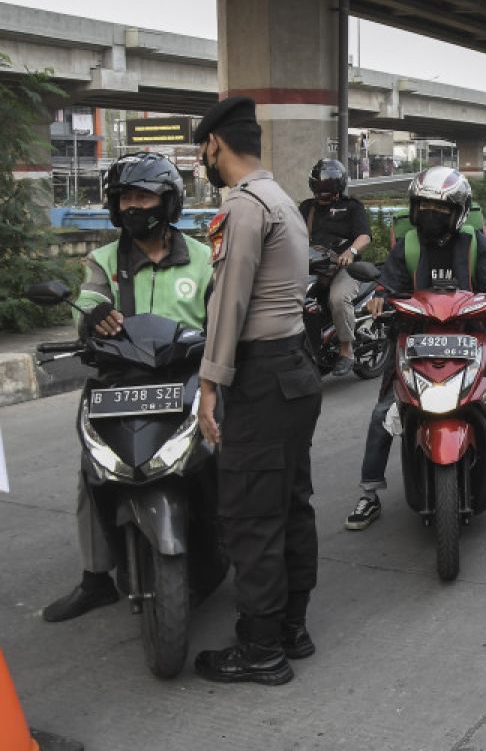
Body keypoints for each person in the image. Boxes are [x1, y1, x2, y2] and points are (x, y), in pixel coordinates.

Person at [41, 152, 216, 623]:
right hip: (118, 380)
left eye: (144, 196)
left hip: (186, 379)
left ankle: (227, 552)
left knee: (222, 457)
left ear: (169, 201)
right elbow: (89, 299)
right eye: (125, 198)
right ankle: (96, 579)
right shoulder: (102, 261)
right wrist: (92, 316)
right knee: (91, 470)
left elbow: (223, 315)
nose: (133, 206)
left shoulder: (203, 259)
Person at [191, 95, 322, 686]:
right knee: (291, 505)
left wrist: (210, 383)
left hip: (262, 374)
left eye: (204, 149)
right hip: (294, 370)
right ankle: (292, 627)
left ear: (215, 144)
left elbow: (230, 304)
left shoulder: (244, 207)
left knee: (251, 515)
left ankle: (261, 648)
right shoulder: (285, 201)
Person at [346, 166, 486, 530]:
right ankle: (368, 493)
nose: (431, 215)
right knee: (383, 415)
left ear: (458, 212)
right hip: (415, 340)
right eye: (424, 207)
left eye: (440, 209)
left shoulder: (473, 244)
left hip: (472, 339)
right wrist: (379, 297)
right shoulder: (407, 245)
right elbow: (387, 283)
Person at [299, 158, 372, 376]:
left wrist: (351, 252)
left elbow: (364, 236)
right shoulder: (306, 208)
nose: (323, 194)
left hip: (344, 268)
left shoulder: (352, 207)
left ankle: (346, 349)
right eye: (319, 188)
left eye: (327, 190)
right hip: (312, 267)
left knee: (338, 299)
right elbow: (292, 235)